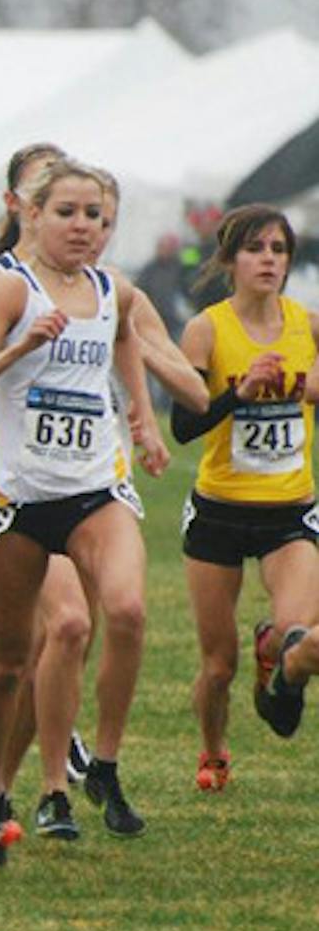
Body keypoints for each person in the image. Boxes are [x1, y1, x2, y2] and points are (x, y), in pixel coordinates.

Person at [0, 159, 153, 867]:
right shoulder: (4, 286)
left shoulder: (112, 289)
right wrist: (22, 346)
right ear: (31, 214)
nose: (83, 227)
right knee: (7, 663)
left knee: (123, 609)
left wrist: (145, 418)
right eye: (67, 212)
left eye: (95, 215)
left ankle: (107, 764)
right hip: (16, 496)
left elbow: (134, 346)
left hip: (95, 486)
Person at [170, 206, 319, 771]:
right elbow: (184, 427)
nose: (269, 260)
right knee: (218, 665)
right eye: (256, 249)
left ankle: (277, 659)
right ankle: (213, 753)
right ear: (230, 259)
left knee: (296, 633)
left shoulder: (306, 323)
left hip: (291, 512)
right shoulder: (207, 328)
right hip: (219, 513)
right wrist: (240, 391)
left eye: (279, 250)